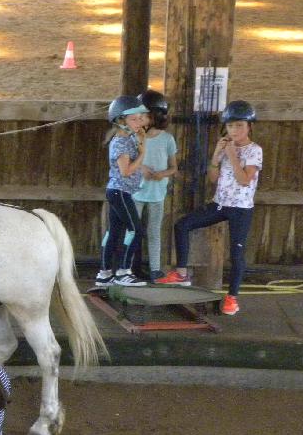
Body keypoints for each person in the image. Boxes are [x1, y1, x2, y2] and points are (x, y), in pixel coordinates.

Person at [157, 100, 262, 316]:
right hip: (219, 203)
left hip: (240, 208)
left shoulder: (254, 150)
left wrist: (233, 156)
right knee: (182, 225)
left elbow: (244, 180)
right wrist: (216, 156)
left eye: (240, 125)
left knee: (236, 254)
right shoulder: (225, 146)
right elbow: (213, 178)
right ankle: (182, 274)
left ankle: (232, 298)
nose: (235, 130)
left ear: (250, 126)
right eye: (231, 126)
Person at [94, 95, 150, 288]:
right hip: (120, 192)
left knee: (114, 232)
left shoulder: (129, 138)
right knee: (136, 230)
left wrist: (141, 141)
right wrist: (143, 153)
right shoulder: (120, 142)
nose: (139, 122)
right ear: (121, 121)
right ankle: (123, 272)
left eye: (140, 118)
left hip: (119, 192)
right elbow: (126, 171)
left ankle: (104, 274)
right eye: (133, 119)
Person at [132, 89, 178, 281]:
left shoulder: (167, 139)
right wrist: (140, 168)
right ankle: (129, 268)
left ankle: (155, 269)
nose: (140, 118)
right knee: (133, 231)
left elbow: (173, 167)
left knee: (154, 231)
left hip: (157, 193)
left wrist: (162, 174)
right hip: (136, 192)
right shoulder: (135, 136)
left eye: (144, 115)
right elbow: (128, 162)